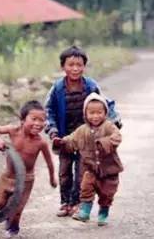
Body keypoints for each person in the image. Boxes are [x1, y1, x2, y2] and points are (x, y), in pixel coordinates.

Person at [44, 45, 120, 217]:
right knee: (64, 172)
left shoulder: (91, 86)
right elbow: (49, 111)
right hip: (65, 138)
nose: (75, 68)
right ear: (63, 66)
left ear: (84, 66)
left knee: (82, 173)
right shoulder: (56, 88)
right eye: (71, 65)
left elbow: (105, 104)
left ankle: (77, 203)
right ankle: (65, 203)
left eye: (79, 65)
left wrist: (114, 122)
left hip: (87, 139)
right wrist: (53, 132)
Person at [0, 100, 57, 238]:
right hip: (7, 176)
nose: (38, 123)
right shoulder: (13, 130)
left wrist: (52, 177)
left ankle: (14, 227)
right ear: (22, 120)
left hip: (26, 180)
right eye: (34, 119)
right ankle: (7, 214)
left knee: (17, 210)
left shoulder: (41, 143)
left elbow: (49, 162)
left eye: (42, 120)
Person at [53, 93, 123, 226]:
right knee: (85, 187)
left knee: (107, 193)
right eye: (91, 113)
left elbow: (117, 137)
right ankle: (84, 212)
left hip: (108, 169)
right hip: (89, 168)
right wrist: (62, 142)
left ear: (105, 113)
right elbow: (72, 139)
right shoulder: (82, 130)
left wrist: (105, 142)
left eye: (99, 112)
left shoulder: (108, 126)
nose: (95, 116)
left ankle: (103, 212)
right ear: (85, 114)